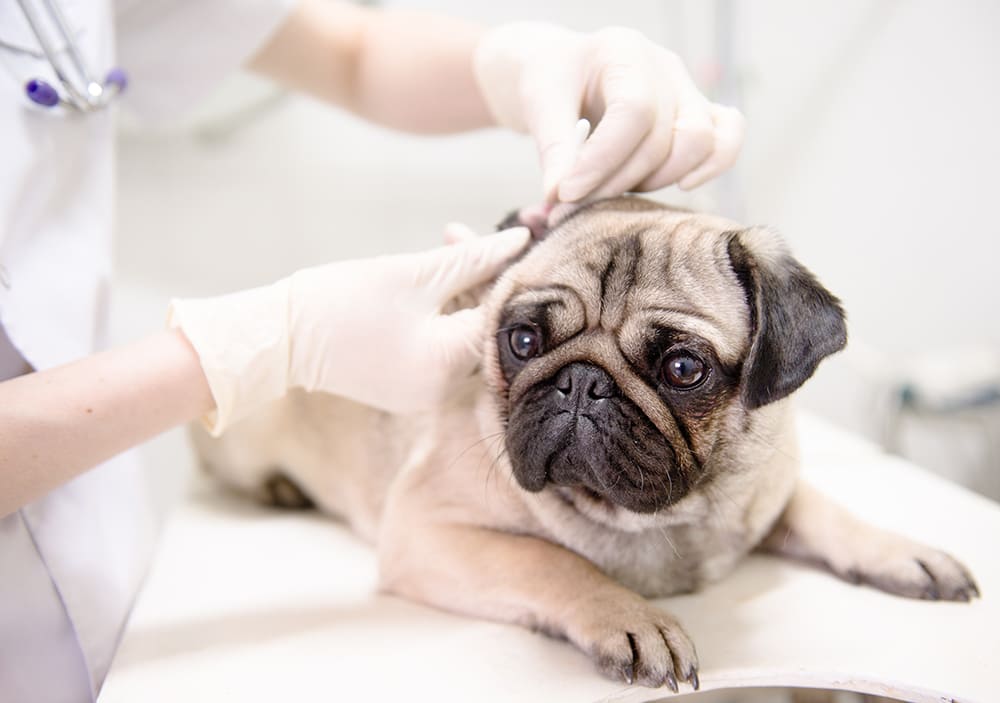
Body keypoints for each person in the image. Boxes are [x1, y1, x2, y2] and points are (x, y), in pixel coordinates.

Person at [0, 0, 744, 700]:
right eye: (530, 342)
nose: (586, 389)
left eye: (678, 367)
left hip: (108, 570)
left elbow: (347, 51)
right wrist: (251, 347)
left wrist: (522, 64)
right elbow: (423, 540)